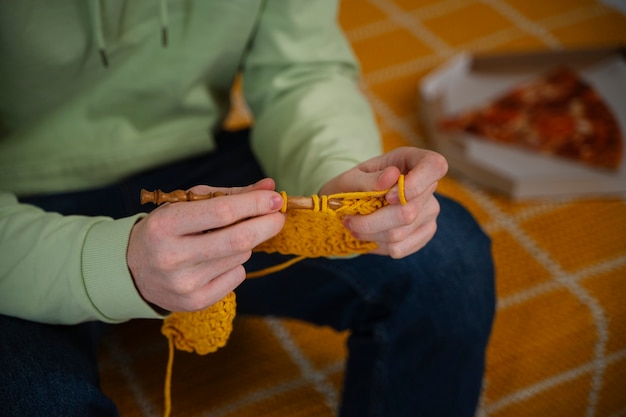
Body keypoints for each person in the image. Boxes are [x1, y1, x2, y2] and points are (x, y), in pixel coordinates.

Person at [0, 1, 495, 416]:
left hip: (194, 162)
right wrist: (110, 264)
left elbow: (301, 71)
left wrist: (335, 178)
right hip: (15, 197)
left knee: (448, 260)